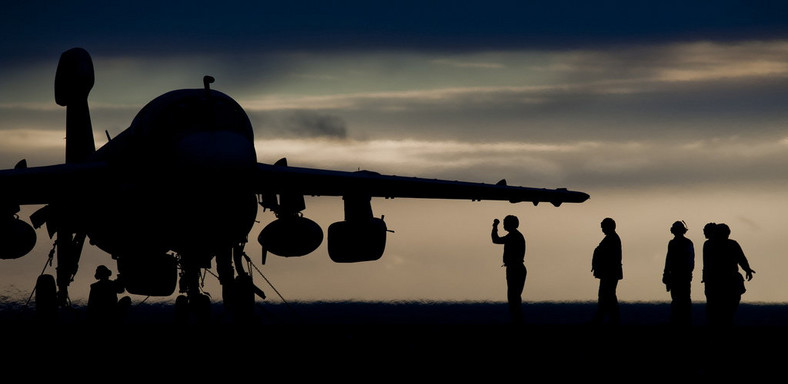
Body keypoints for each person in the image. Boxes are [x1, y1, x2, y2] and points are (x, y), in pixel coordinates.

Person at [702, 223, 755, 326]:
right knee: (726, 312)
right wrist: (747, 269)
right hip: (725, 281)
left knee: (716, 312)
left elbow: (706, 264)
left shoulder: (708, 244)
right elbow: (742, 259)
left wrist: (747, 269)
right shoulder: (732, 244)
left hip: (715, 282)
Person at [491, 215, 526, 323]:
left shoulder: (513, 236)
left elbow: (495, 240)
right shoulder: (516, 235)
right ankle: (516, 319)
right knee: (514, 296)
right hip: (516, 268)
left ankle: (516, 320)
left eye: (505, 223)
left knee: (513, 296)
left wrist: (494, 226)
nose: (504, 225)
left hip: (515, 269)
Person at [662, 220, 695, 326]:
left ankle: (679, 321)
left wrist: (666, 274)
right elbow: (690, 261)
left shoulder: (674, 243)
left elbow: (669, 260)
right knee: (683, 299)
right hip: (680, 276)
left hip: (678, 276)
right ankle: (683, 321)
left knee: (678, 299)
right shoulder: (686, 243)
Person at [591, 217, 623, 325]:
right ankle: (609, 319)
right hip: (609, 273)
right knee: (608, 296)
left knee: (607, 296)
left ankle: (607, 319)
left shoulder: (612, 239)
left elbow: (608, 256)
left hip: (609, 273)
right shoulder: (611, 238)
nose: (602, 229)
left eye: (603, 227)